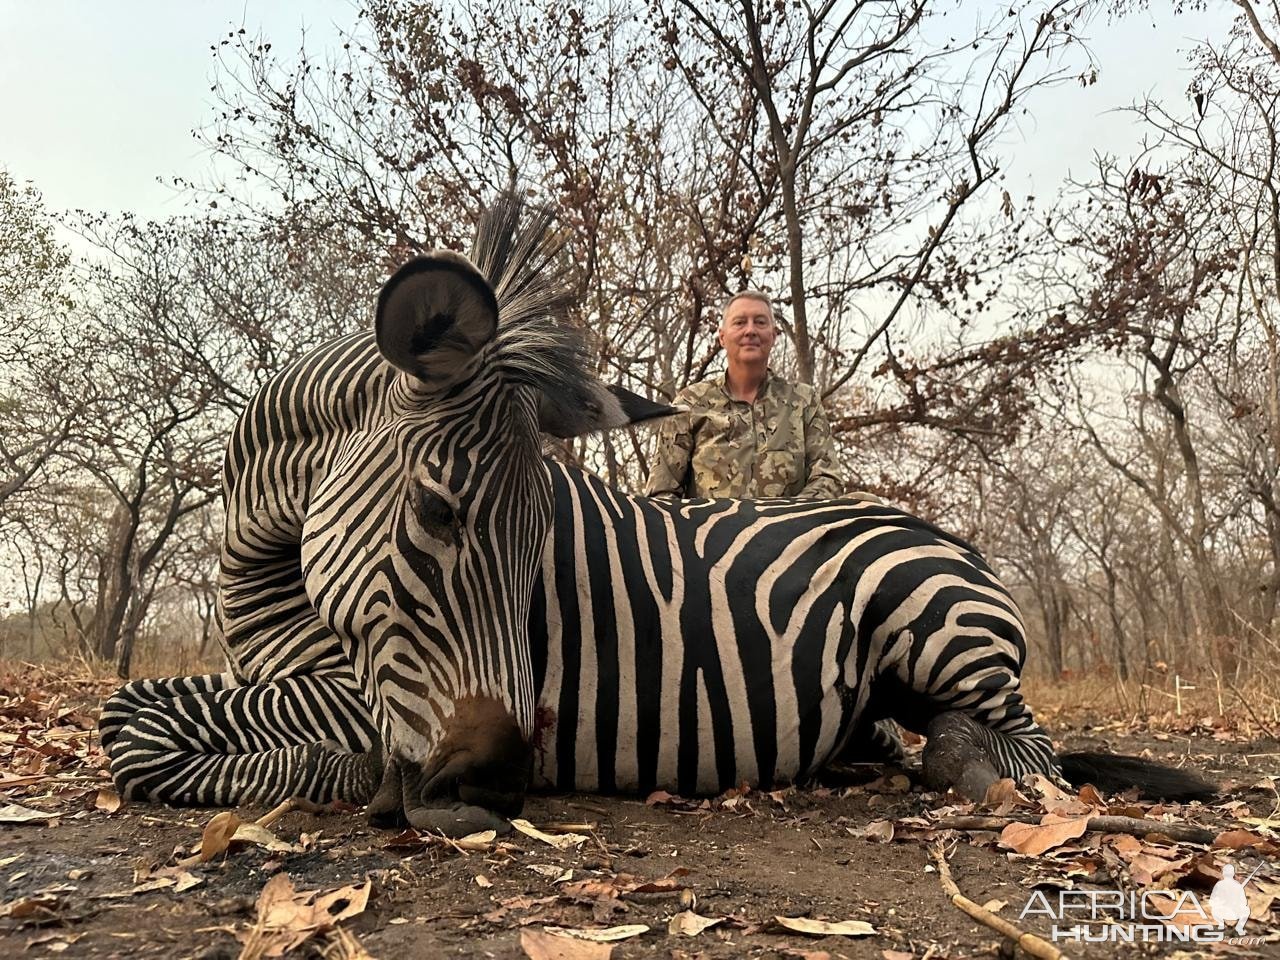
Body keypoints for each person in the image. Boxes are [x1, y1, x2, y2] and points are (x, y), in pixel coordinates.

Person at [645, 290, 846, 500]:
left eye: (760, 322)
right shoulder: (690, 403)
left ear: (774, 335)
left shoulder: (803, 401)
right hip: (709, 532)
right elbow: (661, 493)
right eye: (740, 322)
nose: (750, 330)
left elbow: (828, 480)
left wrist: (782, 524)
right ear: (722, 337)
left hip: (792, 531)